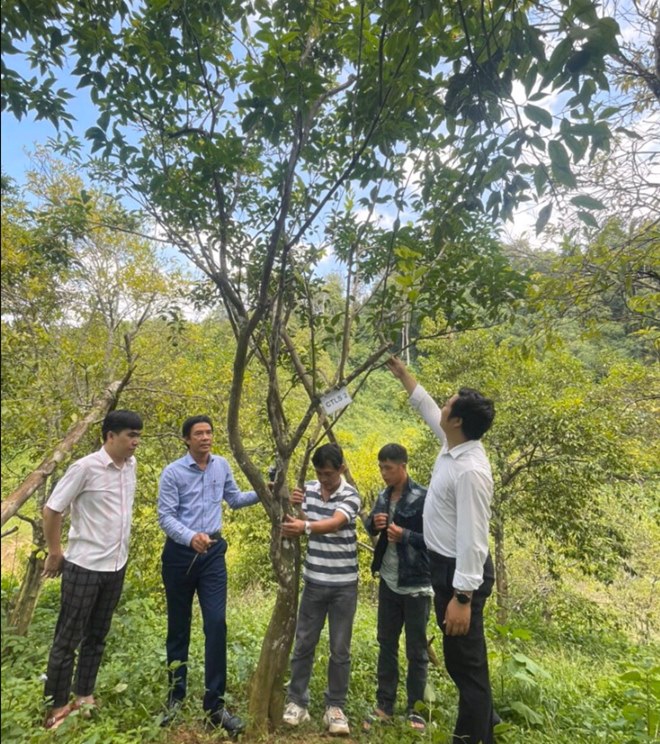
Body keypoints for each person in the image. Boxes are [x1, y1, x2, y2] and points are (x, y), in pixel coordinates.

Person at [387, 356, 496, 744]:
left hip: (460, 574)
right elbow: (428, 408)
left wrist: (462, 598)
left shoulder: (470, 471)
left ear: (458, 421)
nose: (443, 407)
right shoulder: (454, 445)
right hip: (445, 568)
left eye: (449, 405)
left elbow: (474, 538)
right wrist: (403, 375)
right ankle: (484, 728)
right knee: (463, 662)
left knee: (466, 667)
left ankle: (473, 737)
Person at [41, 409, 144, 730]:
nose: (136, 442)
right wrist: (55, 551)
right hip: (84, 566)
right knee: (67, 639)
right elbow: (53, 509)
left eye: (138, 436)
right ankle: (57, 707)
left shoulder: (130, 466)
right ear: (110, 436)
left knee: (97, 636)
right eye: (131, 435)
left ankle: (84, 694)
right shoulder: (85, 468)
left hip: (116, 566)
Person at [157, 415, 259, 736]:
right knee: (178, 627)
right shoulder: (173, 472)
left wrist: (263, 490)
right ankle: (175, 698)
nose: (205, 437)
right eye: (198, 433)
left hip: (213, 553)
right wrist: (190, 537)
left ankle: (215, 705)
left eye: (209, 432)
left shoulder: (221, 465)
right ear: (186, 439)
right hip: (180, 556)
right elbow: (165, 516)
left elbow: (235, 499)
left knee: (216, 624)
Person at [280, 443, 361, 737]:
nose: (323, 479)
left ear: (341, 469)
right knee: (304, 642)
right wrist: (297, 506)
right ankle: (297, 701)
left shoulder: (351, 495)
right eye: (319, 473)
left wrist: (303, 526)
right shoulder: (311, 490)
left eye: (329, 474)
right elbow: (307, 520)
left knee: (340, 648)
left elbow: (335, 523)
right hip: (314, 580)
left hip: (343, 585)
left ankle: (335, 706)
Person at [364, 443, 431, 732]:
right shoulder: (383, 496)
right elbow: (370, 526)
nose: (383, 473)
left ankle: (416, 711)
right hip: (389, 580)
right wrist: (373, 523)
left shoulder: (423, 497)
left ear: (403, 466)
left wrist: (405, 535)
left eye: (388, 468)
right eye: (381, 468)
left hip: (416, 583)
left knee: (416, 650)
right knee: (386, 644)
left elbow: (434, 540)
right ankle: (384, 705)